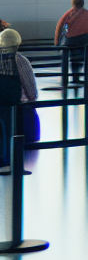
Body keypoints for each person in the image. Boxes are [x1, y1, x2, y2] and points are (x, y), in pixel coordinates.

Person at [0, 27, 38, 172]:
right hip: (16, 105)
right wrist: (32, 99)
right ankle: (13, 162)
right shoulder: (20, 61)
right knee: (14, 133)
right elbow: (29, 84)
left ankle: (3, 161)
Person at [56, 0, 88, 90]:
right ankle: (79, 78)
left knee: (71, 59)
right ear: (83, 3)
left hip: (71, 40)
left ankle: (68, 79)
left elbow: (60, 27)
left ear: (72, 3)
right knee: (82, 59)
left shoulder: (69, 14)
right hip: (84, 40)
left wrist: (57, 41)